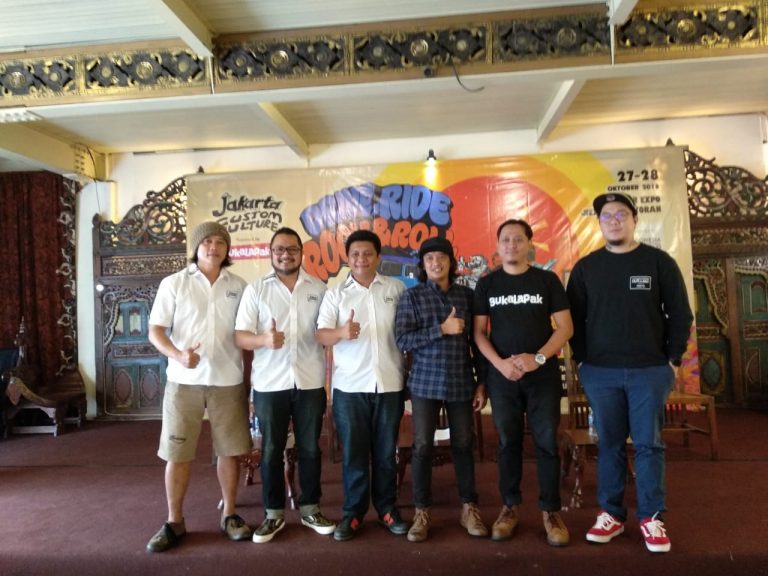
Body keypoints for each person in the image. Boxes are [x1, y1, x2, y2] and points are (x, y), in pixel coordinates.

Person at [566, 192, 693, 553]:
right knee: (609, 445)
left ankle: (651, 517)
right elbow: (573, 320)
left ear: (635, 219)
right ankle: (611, 514)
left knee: (649, 444)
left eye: (621, 214)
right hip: (600, 373)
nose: (614, 221)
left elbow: (680, 314)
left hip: (649, 371)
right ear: (599, 224)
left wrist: (672, 360)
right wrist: (584, 362)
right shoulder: (586, 268)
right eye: (607, 216)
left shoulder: (658, 262)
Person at [146, 221, 252, 553]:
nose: (214, 247)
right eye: (207, 241)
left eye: (220, 242)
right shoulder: (174, 283)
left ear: (227, 249)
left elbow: (246, 334)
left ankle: (230, 514)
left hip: (227, 380)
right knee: (177, 453)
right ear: (196, 247)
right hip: (183, 382)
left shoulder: (240, 286)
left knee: (230, 451)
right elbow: (155, 331)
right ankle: (174, 521)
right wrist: (178, 355)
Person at [472, 219, 572, 547]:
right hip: (504, 378)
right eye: (505, 240)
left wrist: (537, 358)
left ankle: (551, 511)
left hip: (542, 376)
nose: (511, 245)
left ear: (530, 244)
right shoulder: (487, 284)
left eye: (518, 239)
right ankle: (509, 507)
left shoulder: (547, 280)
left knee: (546, 442)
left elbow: (565, 327)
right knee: (507, 443)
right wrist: (500, 365)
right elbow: (478, 333)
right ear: (497, 246)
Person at [234, 227, 335, 543]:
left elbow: (327, 333)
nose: (285, 254)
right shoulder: (256, 290)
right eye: (279, 249)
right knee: (271, 450)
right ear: (271, 253)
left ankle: (311, 509)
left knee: (310, 448)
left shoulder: (319, 289)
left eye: (292, 249)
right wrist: (264, 340)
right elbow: (240, 336)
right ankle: (273, 514)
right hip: (269, 384)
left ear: (301, 253)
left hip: (309, 381)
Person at [315, 229, 408, 541]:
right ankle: (353, 513)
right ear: (348, 258)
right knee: (354, 454)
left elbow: (408, 330)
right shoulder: (336, 294)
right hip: (350, 388)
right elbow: (321, 335)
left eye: (368, 253)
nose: (361, 259)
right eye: (355, 254)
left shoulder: (395, 289)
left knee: (386, 452)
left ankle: (387, 509)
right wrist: (341, 333)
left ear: (378, 257)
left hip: (389, 384)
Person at [394, 237, 488, 542]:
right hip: (424, 383)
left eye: (441, 257)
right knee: (422, 447)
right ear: (423, 264)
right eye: (430, 259)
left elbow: (478, 342)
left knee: (463, 444)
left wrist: (482, 383)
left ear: (451, 262)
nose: (436, 263)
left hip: (461, 381)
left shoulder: (467, 296)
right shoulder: (412, 297)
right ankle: (422, 511)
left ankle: (469, 508)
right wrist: (441, 330)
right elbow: (402, 340)